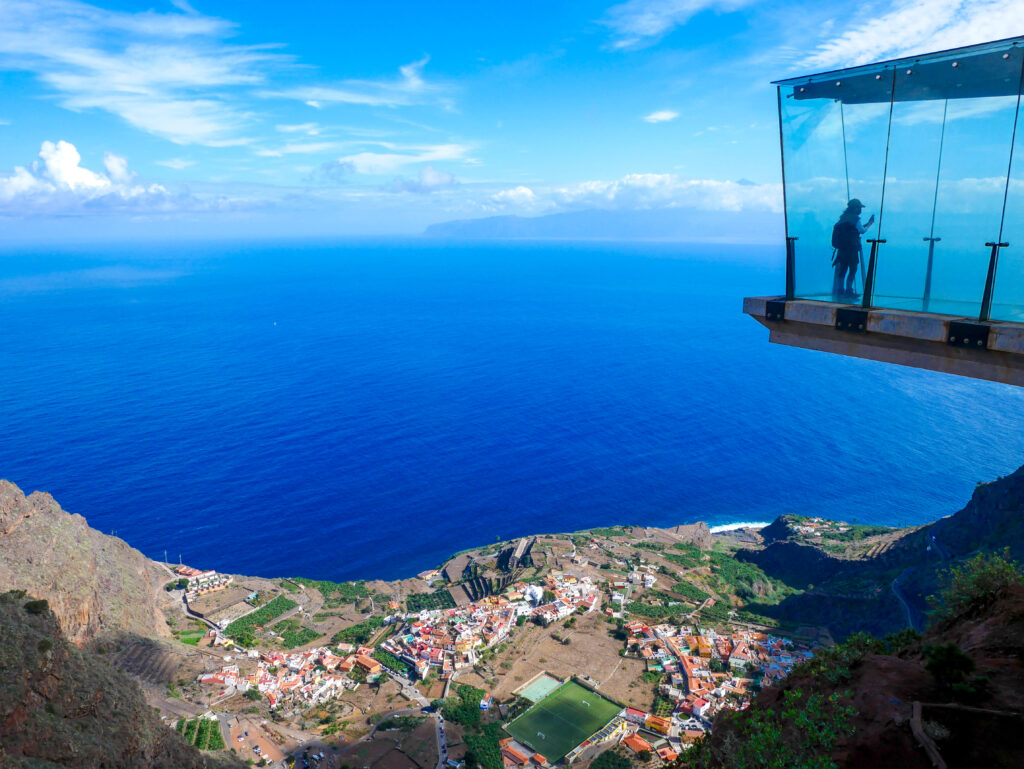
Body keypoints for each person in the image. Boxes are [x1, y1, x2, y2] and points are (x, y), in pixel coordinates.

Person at [831, 199, 875, 299]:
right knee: (853, 269)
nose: (860, 210)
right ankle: (849, 291)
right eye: (859, 207)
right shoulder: (855, 218)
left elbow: (854, 229)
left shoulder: (842, 218)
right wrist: (869, 224)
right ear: (856, 208)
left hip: (842, 250)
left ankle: (840, 290)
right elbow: (862, 230)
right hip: (852, 249)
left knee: (843, 270)